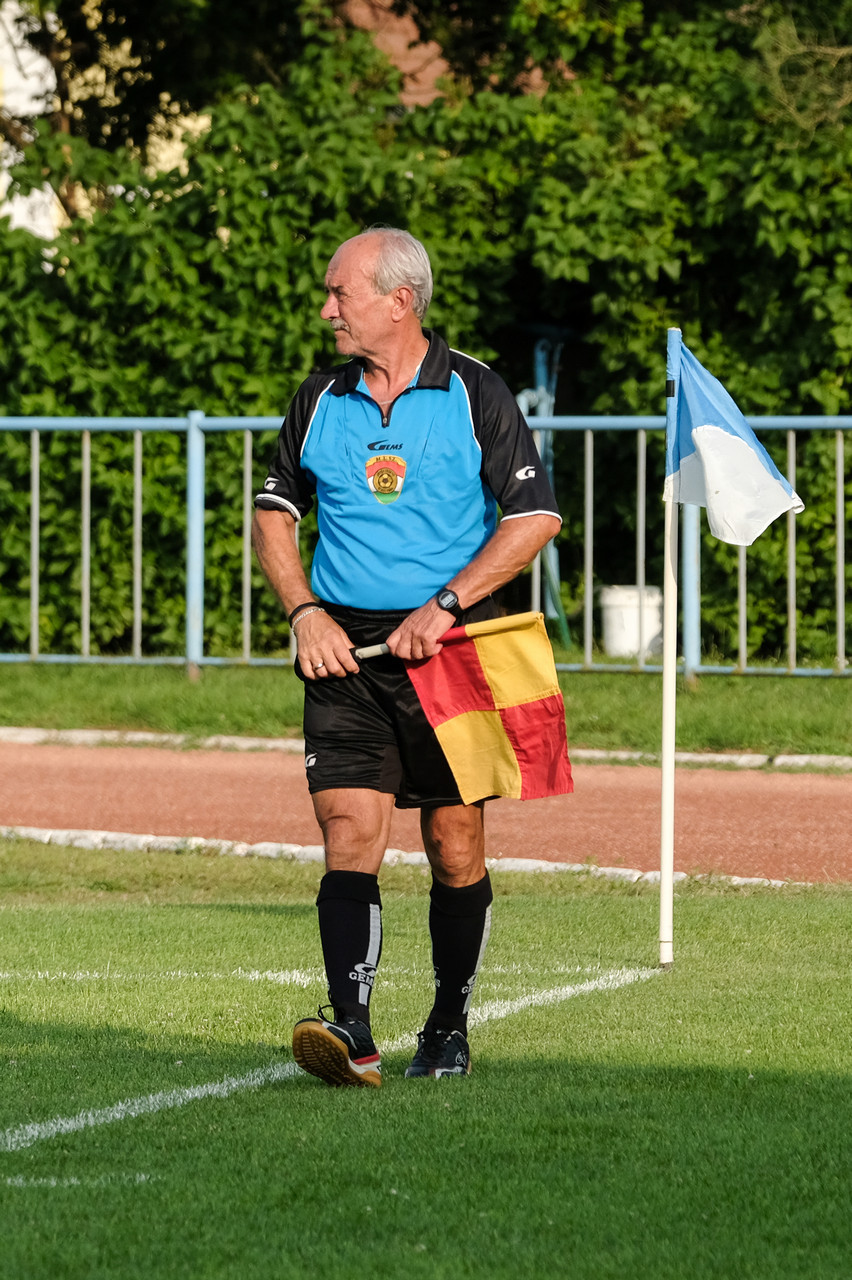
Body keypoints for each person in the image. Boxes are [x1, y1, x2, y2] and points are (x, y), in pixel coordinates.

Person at [252, 226, 561, 1086]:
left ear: (399, 301)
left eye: (339, 293)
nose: (327, 309)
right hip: (342, 654)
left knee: (454, 843)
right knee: (349, 828)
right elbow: (274, 514)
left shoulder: (475, 390)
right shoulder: (320, 396)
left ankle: (448, 1028)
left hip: (453, 649)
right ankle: (351, 1031)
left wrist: (447, 603)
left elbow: (533, 518)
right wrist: (304, 612)